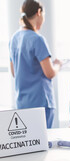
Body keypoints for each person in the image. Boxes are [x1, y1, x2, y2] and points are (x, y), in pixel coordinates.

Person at [9, 0, 62, 128]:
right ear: (39, 13)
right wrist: (58, 65)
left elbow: (14, 72)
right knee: (43, 143)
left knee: (29, 144)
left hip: (22, 103)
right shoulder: (37, 39)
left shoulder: (14, 38)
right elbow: (49, 73)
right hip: (41, 102)